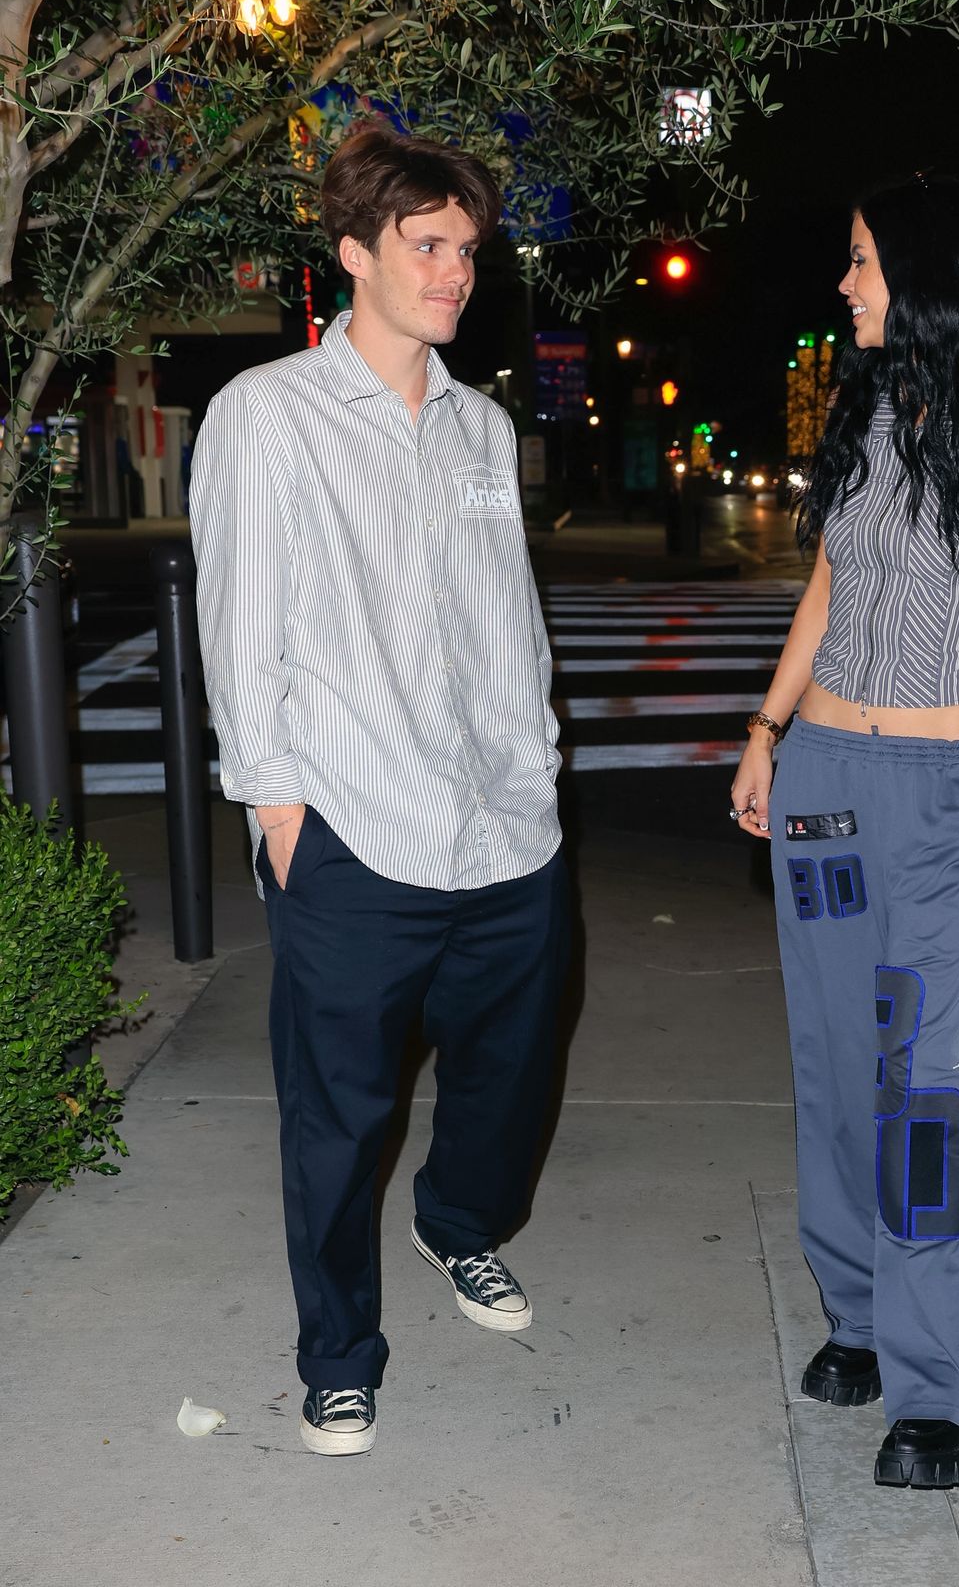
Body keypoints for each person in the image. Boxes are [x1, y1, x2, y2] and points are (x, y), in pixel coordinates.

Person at [189, 125, 567, 1458]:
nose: (455, 270)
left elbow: (506, 614)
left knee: (510, 1080)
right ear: (354, 253)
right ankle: (339, 1353)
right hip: (354, 827)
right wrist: (277, 809)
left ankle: (457, 1226)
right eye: (427, 245)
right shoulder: (267, 418)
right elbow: (240, 628)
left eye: (467, 247)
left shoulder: (479, 426)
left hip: (507, 825)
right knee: (338, 1122)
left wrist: (542, 758)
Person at [730, 172, 959, 1491]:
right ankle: (861, 1321)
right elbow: (828, 579)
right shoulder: (874, 406)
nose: (847, 285)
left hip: (941, 798)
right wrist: (767, 733)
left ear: (929, 275)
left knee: (918, 1080)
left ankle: (940, 1389)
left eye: (865, 263)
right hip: (822, 784)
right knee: (831, 1057)